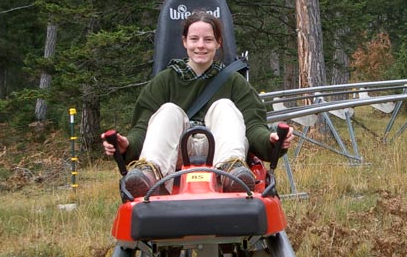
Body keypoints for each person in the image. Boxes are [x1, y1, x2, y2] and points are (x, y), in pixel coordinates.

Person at [102, 10, 293, 196]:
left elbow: (253, 126)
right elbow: (143, 127)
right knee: (168, 110)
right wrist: (127, 145)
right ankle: (149, 174)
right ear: (184, 42)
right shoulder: (164, 81)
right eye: (194, 39)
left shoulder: (235, 83)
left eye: (208, 39)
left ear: (218, 43)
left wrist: (271, 141)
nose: (200, 45)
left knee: (224, 106)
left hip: (222, 148)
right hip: (176, 151)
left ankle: (231, 173)